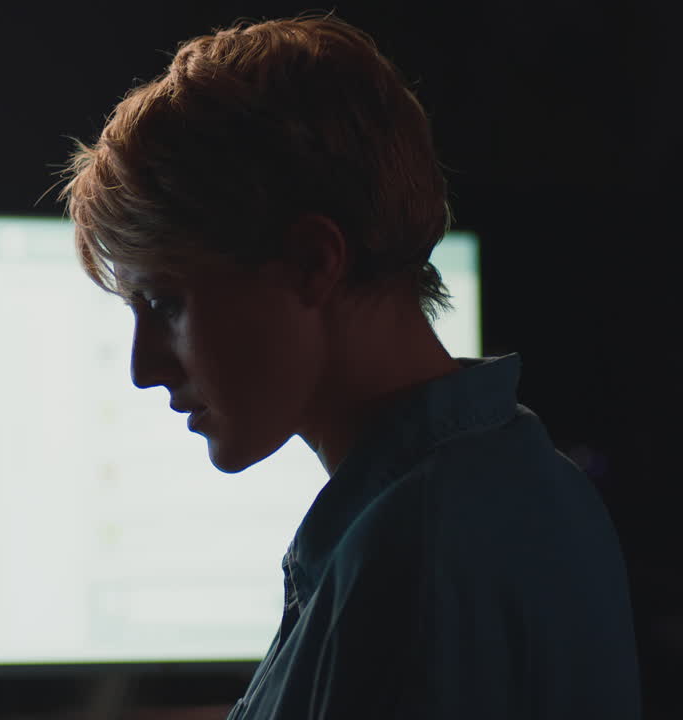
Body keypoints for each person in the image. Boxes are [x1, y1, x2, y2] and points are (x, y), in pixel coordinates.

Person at [59, 13, 641, 719]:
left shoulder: (410, 560)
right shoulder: (531, 483)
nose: (143, 368)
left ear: (313, 262)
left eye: (167, 302)